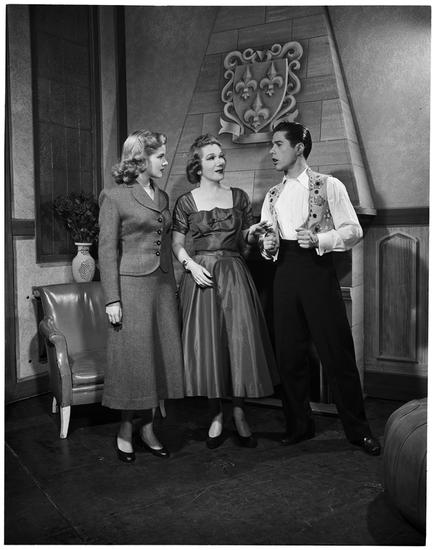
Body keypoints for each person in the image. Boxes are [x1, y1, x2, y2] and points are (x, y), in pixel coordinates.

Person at [260, 121, 381, 456]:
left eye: (278, 144)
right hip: (284, 274)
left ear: (299, 147)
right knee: (289, 355)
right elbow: (268, 243)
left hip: (317, 273)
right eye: (272, 145)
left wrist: (321, 239)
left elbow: (353, 230)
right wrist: (268, 247)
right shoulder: (272, 195)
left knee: (337, 353)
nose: (272, 151)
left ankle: (358, 431)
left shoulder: (329, 185)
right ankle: (299, 426)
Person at [172, 134, 277, 449]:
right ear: (198, 166)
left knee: (239, 343)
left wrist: (254, 233)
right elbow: (176, 243)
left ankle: (240, 412)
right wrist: (190, 265)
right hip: (201, 276)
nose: (220, 161)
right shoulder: (186, 202)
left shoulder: (240, 197)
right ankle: (216, 414)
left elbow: (246, 241)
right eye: (211, 157)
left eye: (221, 156)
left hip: (234, 274)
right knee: (209, 345)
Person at [98, 129, 184, 463]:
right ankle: (125, 430)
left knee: (156, 359)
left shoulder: (162, 197)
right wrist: (112, 299)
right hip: (131, 287)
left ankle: (148, 429)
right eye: (160, 156)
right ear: (141, 158)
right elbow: (107, 250)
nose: (165, 161)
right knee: (133, 360)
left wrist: (173, 285)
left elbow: (165, 242)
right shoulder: (114, 196)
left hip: (161, 287)